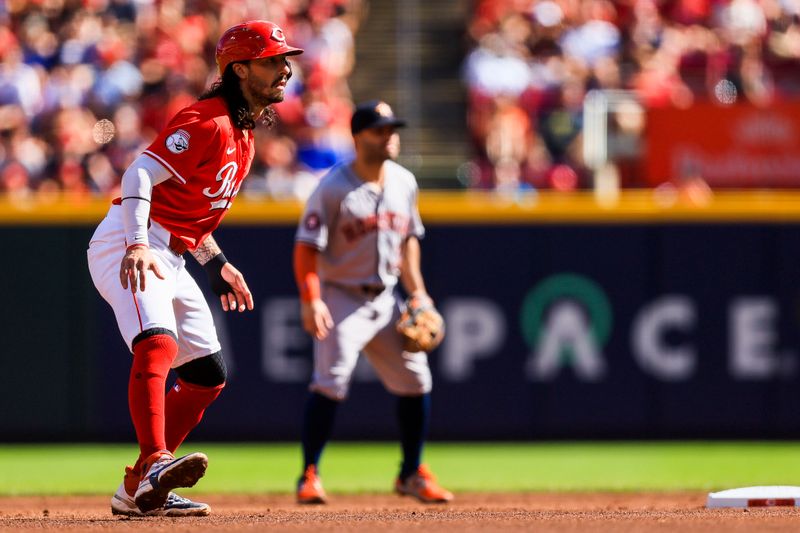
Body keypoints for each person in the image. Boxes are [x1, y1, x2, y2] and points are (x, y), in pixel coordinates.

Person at [86, 20, 303, 517]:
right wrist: (137, 243)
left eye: (284, 60)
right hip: (128, 239)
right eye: (272, 60)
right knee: (157, 341)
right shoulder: (209, 120)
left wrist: (218, 262)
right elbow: (140, 170)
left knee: (207, 374)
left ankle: (139, 487)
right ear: (240, 69)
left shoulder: (243, 135)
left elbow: (188, 214)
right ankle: (157, 462)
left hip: (170, 248)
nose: (284, 69)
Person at [293, 100, 454, 504]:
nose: (389, 137)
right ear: (359, 136)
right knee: (329, 383)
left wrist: (418, 292)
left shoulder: (404, 182)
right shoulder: (332, 188)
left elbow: (408, 243)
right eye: (380, 130)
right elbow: (306, 249)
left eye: (392, 130)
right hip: (341, 296)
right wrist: (312, 300)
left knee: (417, 381)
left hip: (386, 298)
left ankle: (411, 473)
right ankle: (309, 474)